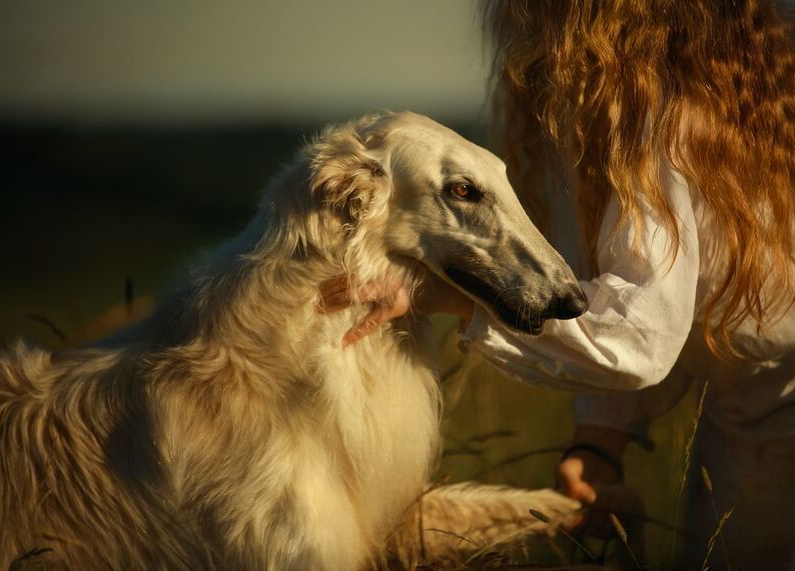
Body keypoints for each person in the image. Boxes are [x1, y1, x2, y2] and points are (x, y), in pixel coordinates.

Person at [319, 1, 795, 568]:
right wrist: (599, 440)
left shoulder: (659, 114)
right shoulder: (626, 104)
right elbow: (607, 290)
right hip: (744, 419)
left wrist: (442, 296)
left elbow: (637, 338)